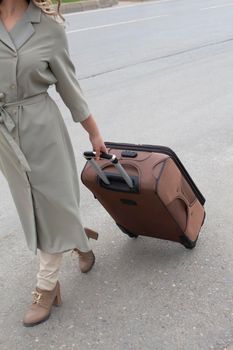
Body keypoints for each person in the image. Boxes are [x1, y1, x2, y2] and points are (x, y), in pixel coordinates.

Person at [0, 0, 107, 327]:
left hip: (43, 129)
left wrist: (94, 134)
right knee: (33, 206)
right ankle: (79, 240)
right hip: (7, 137)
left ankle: (46, 287)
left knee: (54, 201)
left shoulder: (48, 26)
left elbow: (69, 89)